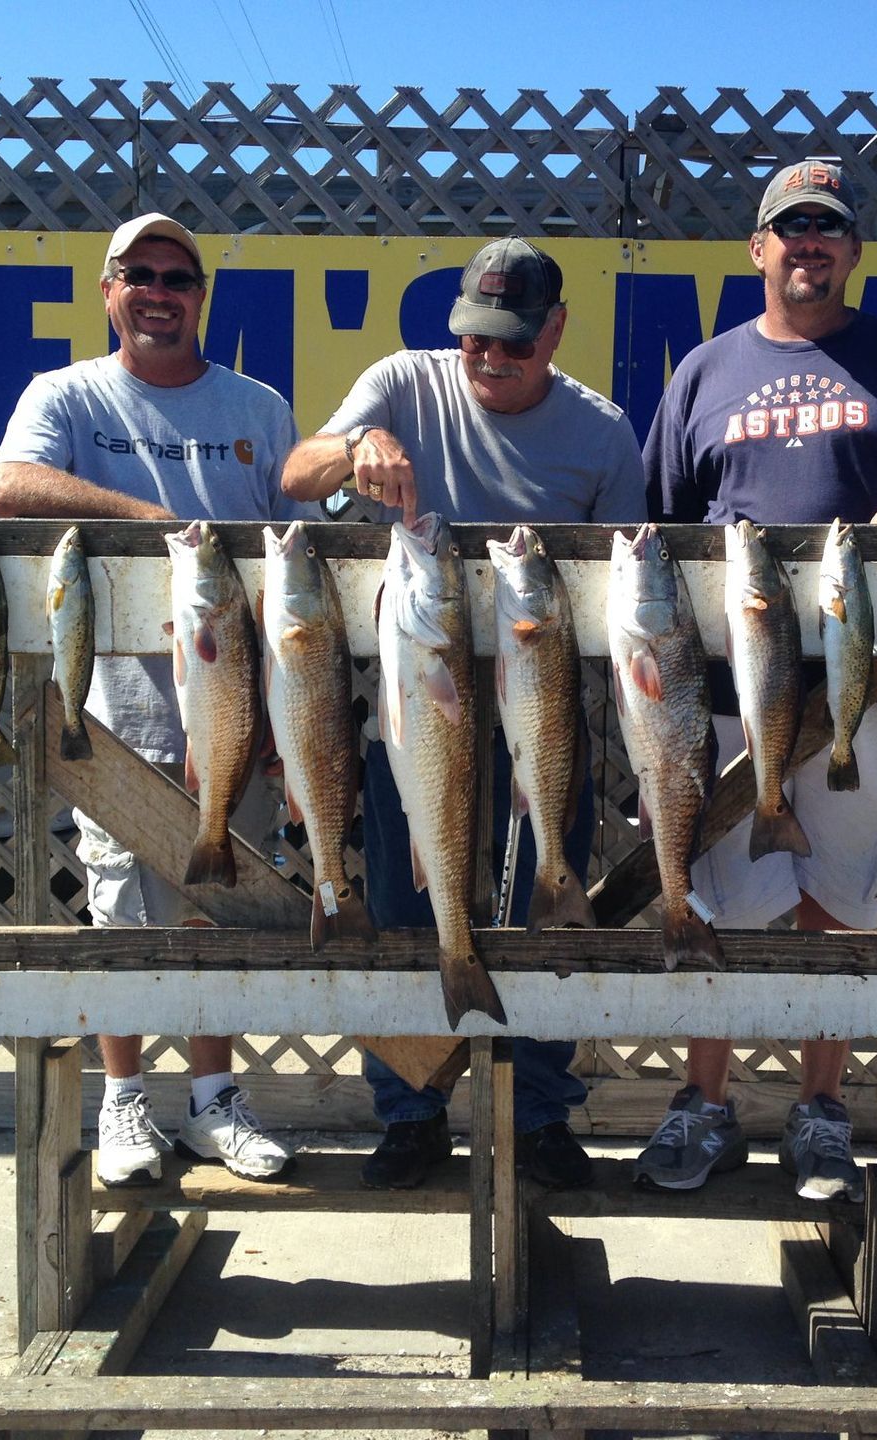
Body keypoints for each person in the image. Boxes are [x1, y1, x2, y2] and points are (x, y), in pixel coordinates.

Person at [637, 160, 877, 1199]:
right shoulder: (703, 373)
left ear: (852, 253)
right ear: (757, 249)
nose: (808, 243)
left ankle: (821, 1111)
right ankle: (704, 1104)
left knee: (840, 905)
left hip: (872, 683)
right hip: (725, 693)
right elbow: (659, 527)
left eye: (829, 229)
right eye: (788, 227)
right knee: (717, 903)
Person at [283, 237, 646, 1190]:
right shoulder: (402, 382)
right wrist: (357, 447)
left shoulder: (604, 437)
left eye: (514, 345)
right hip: (414, 717)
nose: (490, 359)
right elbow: (296, 477)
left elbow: (627, 596)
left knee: (545, 906)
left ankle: (536, 1117)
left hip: (544, 715)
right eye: (476, 339)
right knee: (406, 900)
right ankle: (410, 1108)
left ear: (556, 333)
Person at [0, 213, 303, 1188]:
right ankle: (123, 1100)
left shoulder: (260, 409)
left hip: (238, 718)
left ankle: (214, 1102)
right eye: (140, 274)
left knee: (220, 912)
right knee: (122, 915)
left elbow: (297, 567)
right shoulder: (67, 395)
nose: (160, 291)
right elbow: (9, 488)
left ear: (201, 295)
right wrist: (153, 520)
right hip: (111, 722)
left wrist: (289, 734)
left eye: (179, 276)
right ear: (108, 289)